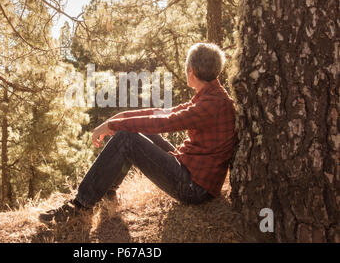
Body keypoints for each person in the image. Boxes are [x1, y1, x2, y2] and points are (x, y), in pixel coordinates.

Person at [39, 43, 236, 223]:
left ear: (191, 71)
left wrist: (114, 126)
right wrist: (117, 119)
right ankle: (107, 193)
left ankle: (80, 205)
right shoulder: (211, 96)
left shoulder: (211, 104)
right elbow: (164, 112)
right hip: (192, 173)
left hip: (193, 188)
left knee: (127, 138)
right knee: (134, 131)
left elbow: (165, 122)